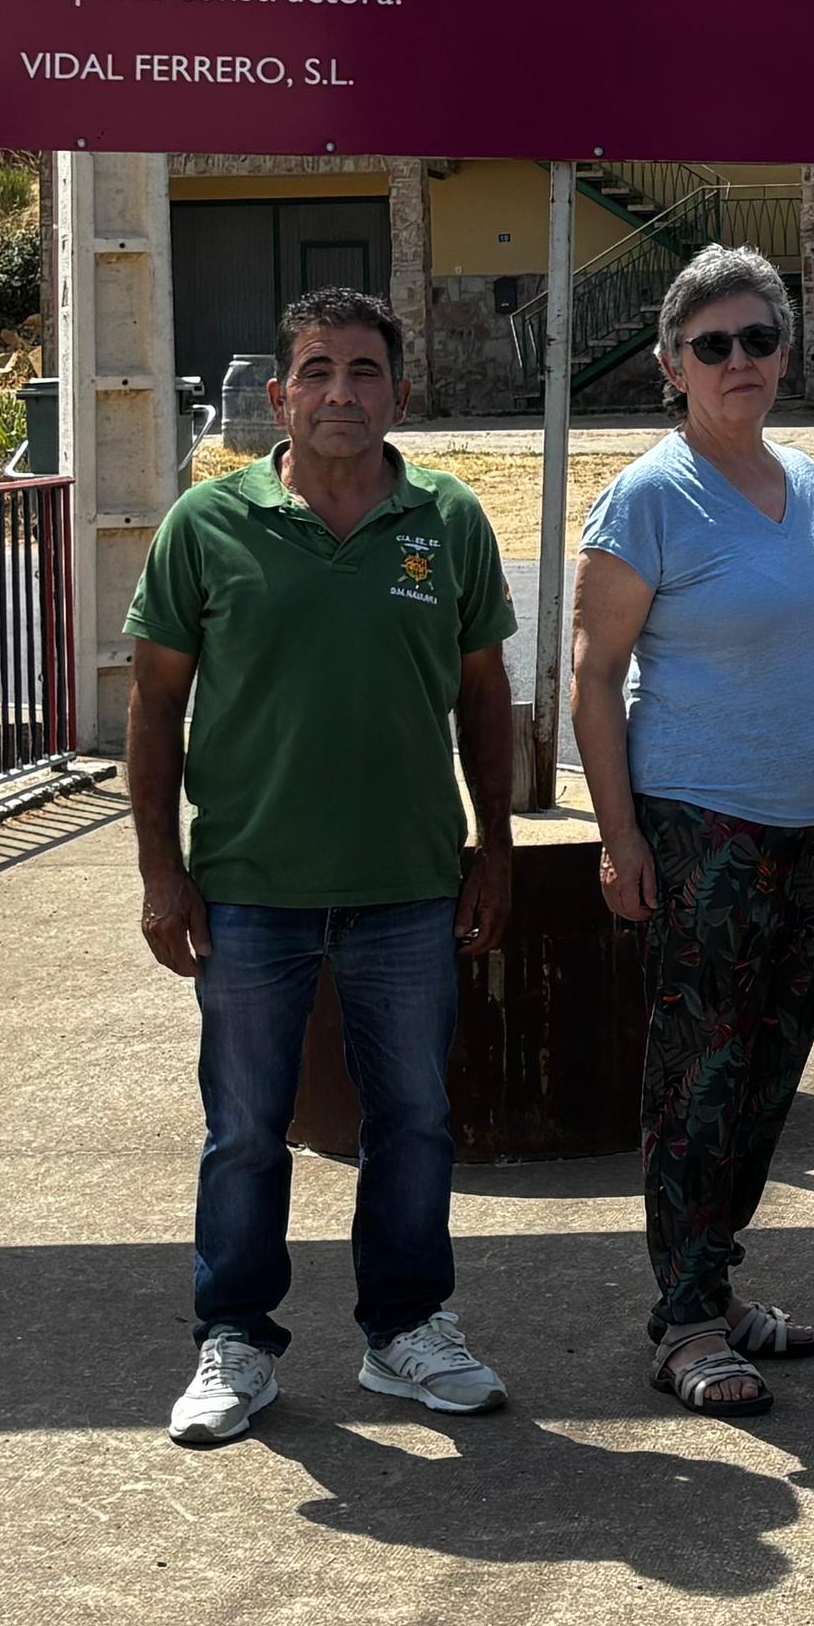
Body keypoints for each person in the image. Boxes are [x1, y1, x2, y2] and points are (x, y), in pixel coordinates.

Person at [132, 285, 518, 1446]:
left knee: (413, 1120)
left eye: (363, 371)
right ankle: (234, 1342)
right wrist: (161, 869)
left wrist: (492, 847)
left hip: (408, 884)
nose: (340, 392)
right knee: (245, 1128)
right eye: (316, 371)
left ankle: (406, 1333)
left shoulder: (446, 522)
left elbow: (484, 699)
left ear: (399, 392)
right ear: (277, 394)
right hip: (249, 887)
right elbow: (154, 707)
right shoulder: (206, 525)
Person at [571, 246, 814, 1418]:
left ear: (782, 353)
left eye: (758, 339)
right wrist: (618, 837)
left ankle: (716, 1278)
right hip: (705, 825)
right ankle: (683, 1322)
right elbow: (595, 678)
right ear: (670, 366)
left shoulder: (808, 479)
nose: (739, 361)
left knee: (769, 1071)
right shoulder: (649, 496)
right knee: (697, 1079)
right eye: (713, 344)